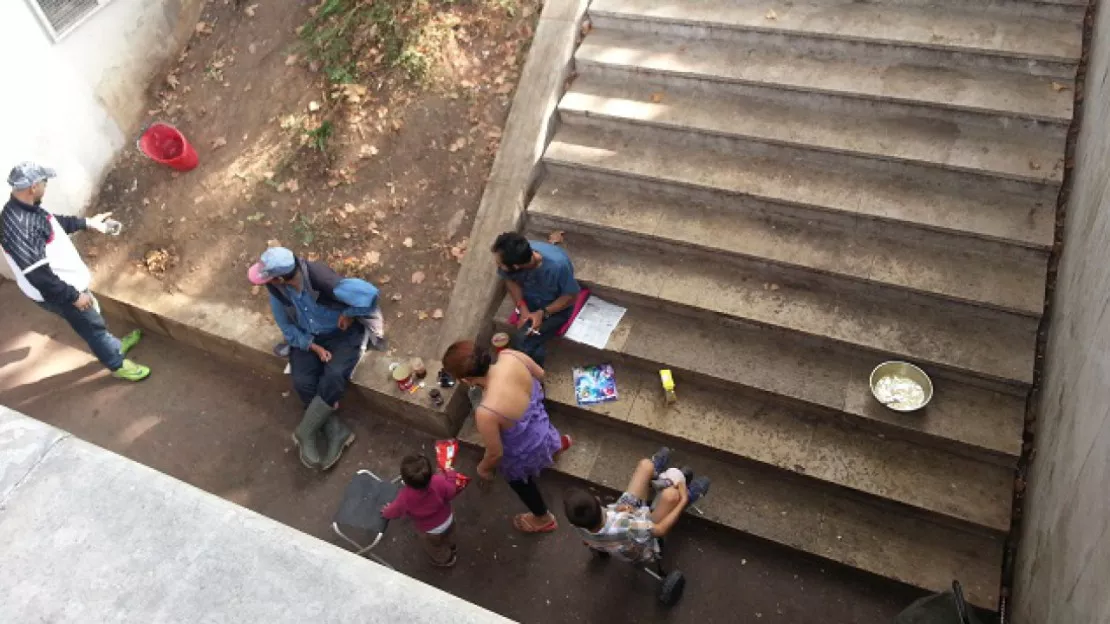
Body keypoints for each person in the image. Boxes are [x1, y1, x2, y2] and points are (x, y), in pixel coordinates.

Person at [0, 162, 150, 381]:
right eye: (44, 182)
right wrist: (73, 296)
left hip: (65, 285)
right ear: (33, 187)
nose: (46, 186)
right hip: (60, 291)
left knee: (93, 318)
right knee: (92, 328)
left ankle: (113, 346)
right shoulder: (21, 227)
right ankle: (117, 365)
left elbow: (51, 224)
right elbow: (39, 277)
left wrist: (89, 223)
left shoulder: (24, 208)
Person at [248, 246, 385, 470]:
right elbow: (286, 328)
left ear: (281, 278)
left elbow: (369, 294)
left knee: (334, 375)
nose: (267, 283)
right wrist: (311, 346)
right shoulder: (277, 292)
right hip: (308, 337)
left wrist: (349, 314)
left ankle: (305, 430)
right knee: (302, 380)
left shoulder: (322, 280)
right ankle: (336, 431)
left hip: (341, 335)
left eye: (269, 279)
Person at [442, 340, 572, 533]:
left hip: (524, 449)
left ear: (466, 380)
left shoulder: (486, 411)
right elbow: (541, 374)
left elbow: (496, 453)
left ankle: (543, 518)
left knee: (520, 482)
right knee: (545, 432)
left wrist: (483, 468)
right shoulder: (510, 355)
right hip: (541, 423)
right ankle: (556, 446)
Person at [563, 448, 711, 562]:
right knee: (671, 497)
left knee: (645, 466)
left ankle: (656, 475)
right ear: (597, 499)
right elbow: (660, 530)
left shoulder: (579, 524)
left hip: (621, 520)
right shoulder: (627, 528)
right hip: (639, 539)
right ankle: (685, 497)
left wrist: (618, 511)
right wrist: (683, 500)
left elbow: (597, 529)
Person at [491, 232, 580, 367]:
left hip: (554, 308)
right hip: (530, 303)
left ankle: (535, 377)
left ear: (515, 266)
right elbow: (510, 281)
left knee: (522, 341)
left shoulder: (558, 266)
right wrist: (522, 308)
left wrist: (543, 313)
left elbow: (571, 296)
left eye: (500, 263)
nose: (497, 264)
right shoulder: (518, 255)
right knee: (523, 341)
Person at [381, 454, 464, 567]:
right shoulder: (439, 481)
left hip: (431, 531)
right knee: (450, 535)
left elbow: (394, 511)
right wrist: (451, 475)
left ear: (405, 481)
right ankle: (453, 547)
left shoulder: (404, 497)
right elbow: (451, 491)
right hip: (448, 519)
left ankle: (446, 559)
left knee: (435, 547)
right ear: (431, 473)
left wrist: (386, 512)